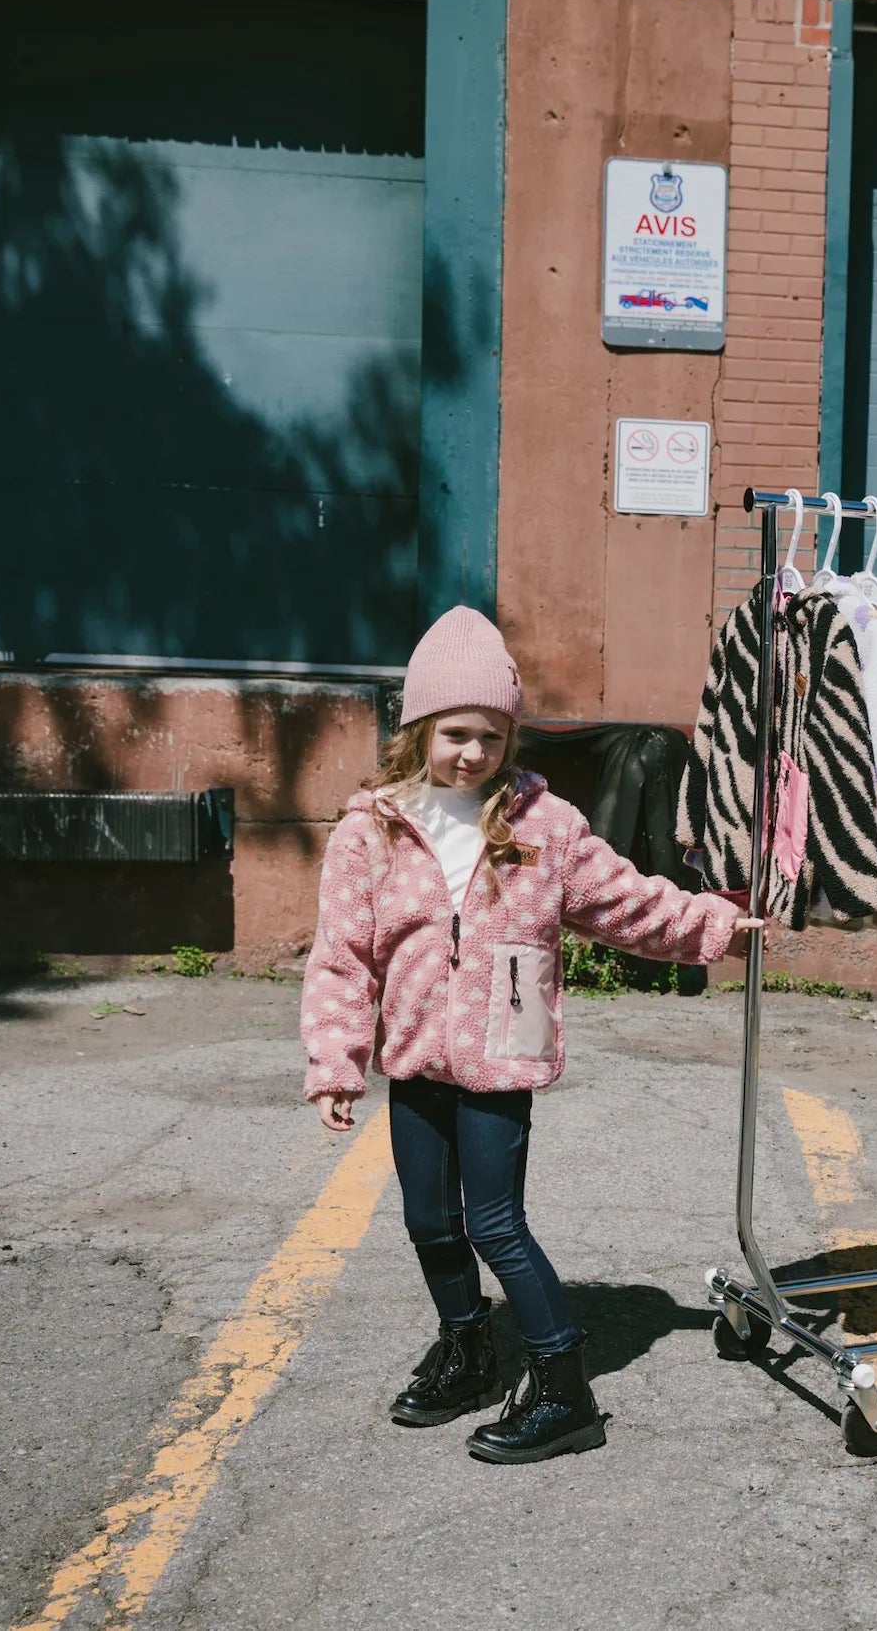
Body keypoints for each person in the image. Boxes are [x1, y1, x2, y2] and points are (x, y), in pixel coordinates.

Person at [301, 606, 760, 1463]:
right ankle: (467, 1350)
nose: (473, 753)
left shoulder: (544, 826)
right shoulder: (371, 830)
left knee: (495, 1224)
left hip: (504, 1047)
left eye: (492, 735)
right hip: (415, 1053)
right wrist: (336, 1063)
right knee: (430, 1221)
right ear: (419, 729)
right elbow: (341, 956)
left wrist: (713, 924)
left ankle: (563, 1389)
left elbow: (627, 902)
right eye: (455, 734)